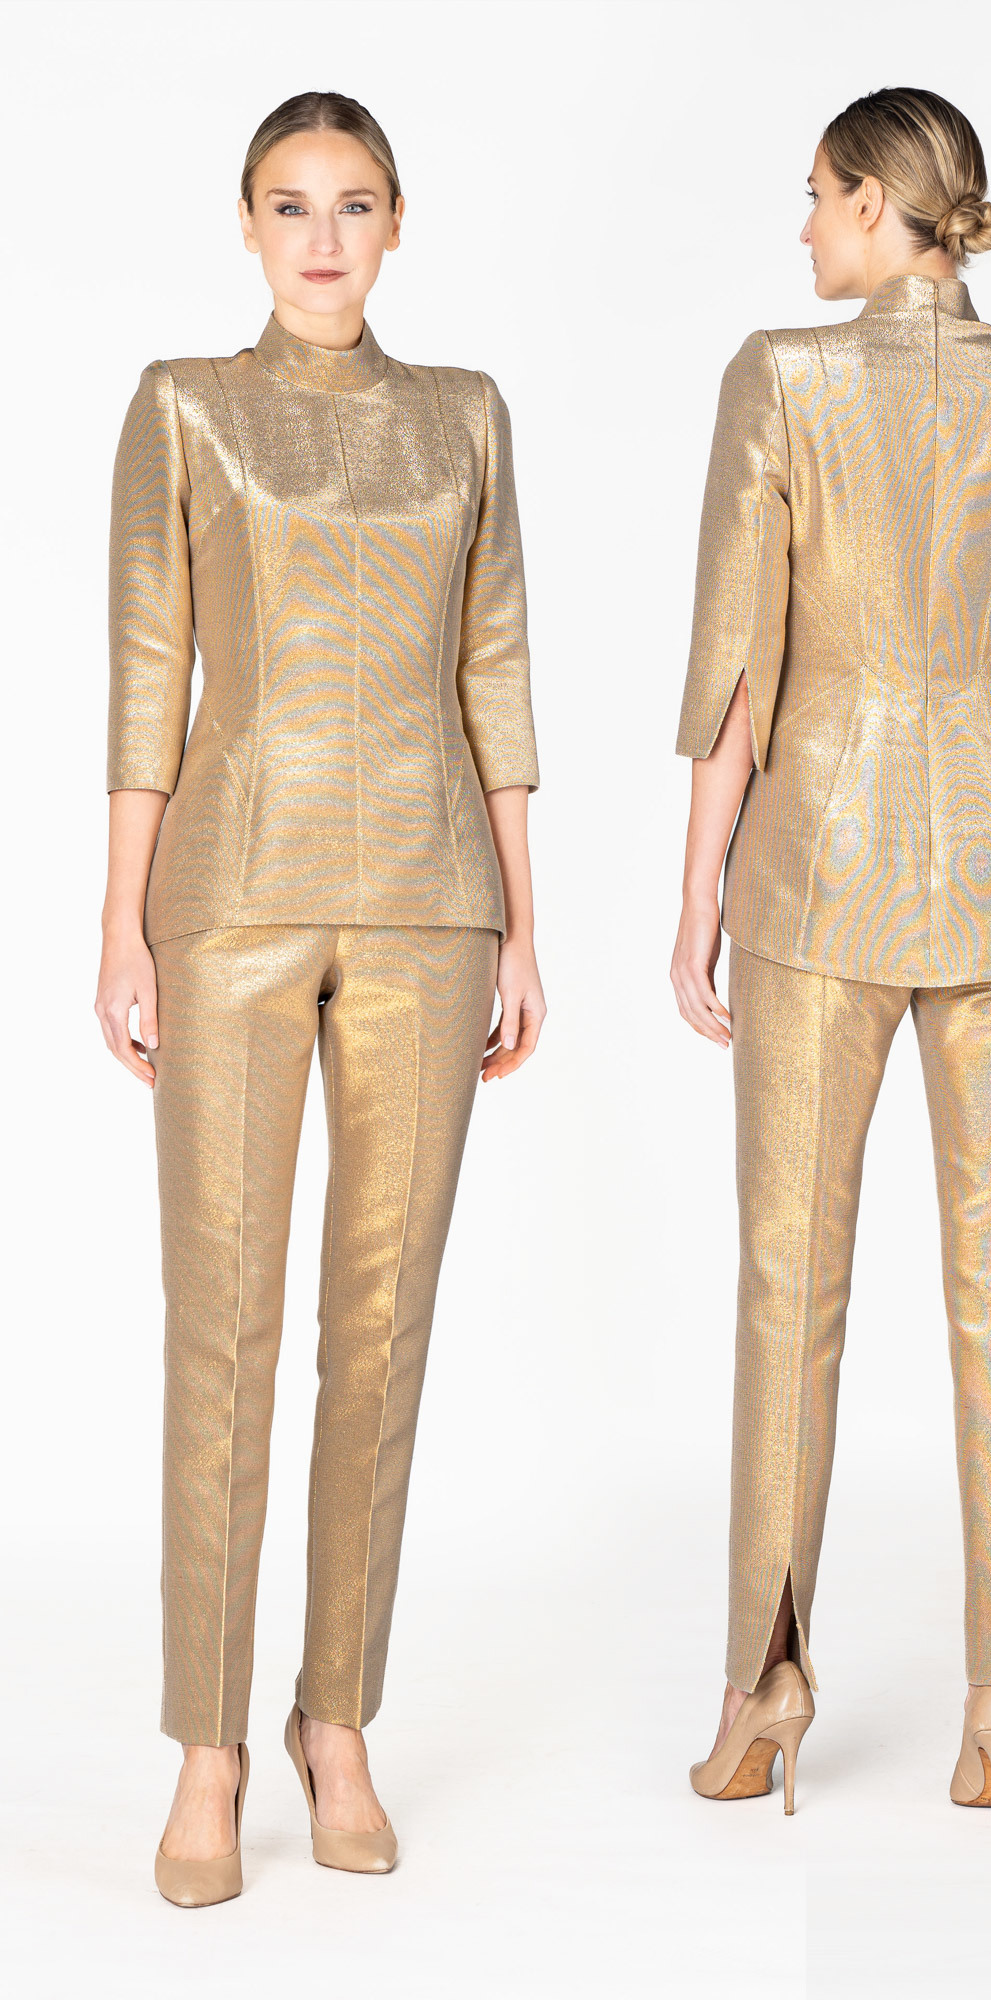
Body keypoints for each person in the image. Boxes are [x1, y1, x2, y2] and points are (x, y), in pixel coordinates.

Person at [95, 91, 544, 1904]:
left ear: (399, 221)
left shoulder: (465, 416)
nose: (323, 240)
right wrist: (120, 926)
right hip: (229, 899)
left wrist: (524, 923)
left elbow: (496, 665)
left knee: (383, 1323)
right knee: (221, 1322)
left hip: (434, 902)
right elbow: (147, 670)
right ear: (247, 224)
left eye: (354, 206)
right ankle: (207, 1746)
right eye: (291, 207)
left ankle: (333, 1720)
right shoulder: (186, 405)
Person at [671, 86, 991, 1826]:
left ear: (876, 205)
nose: (802, 229)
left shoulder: (782, 379)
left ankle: (763, 1692)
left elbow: (738, 665)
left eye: (816, 197)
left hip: (817, 876)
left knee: (790, 1287)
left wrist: (695, 893)